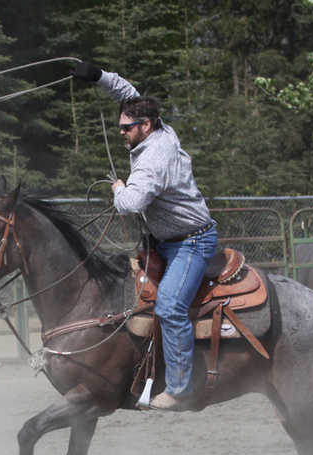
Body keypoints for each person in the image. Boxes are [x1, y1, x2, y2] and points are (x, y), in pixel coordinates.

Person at [72, 61, 217, 411]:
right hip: (166, 240)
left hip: (191, 242)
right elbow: (127, 92)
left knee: (169, 306)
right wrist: (98, 76)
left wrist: (118, 188)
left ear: (145, 126)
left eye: (126, 128)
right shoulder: (156, 127)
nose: (120, 132)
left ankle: (180, 389)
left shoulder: (155, 157)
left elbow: (131, 202)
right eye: (120, 126)